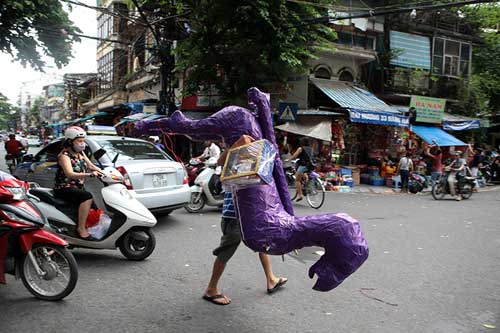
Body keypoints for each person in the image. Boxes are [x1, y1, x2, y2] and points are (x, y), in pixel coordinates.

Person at [203, 135, 288, 306]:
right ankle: (211, 289)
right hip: (234, 216)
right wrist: (243, 140)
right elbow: (232, 150)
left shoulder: (246, 157)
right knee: (226, 251)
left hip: (246, 214)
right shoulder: (236, 155)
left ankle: (271, 278)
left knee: (261, 243)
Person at [53, 126, 102, 240]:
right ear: (70, 142)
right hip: (63, 188)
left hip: (77, 187)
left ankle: (89, 228)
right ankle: (81, 228)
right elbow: (70, 174)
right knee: (87, 196)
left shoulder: (80, 153)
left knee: (94, 208)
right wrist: (89, 174)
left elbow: (90, 166)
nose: (82, 144)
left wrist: (105, 173)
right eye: (79, 141)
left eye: (83, 141)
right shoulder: (64, 156)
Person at [289, 137, 313, 202]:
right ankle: (305, 185)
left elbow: (294, 157)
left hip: (303, 165)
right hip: (310, 166)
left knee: (297, 180)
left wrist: (289, 159)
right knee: (304, 173)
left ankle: (300, 195)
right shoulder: (311, 149)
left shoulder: (300, 148)